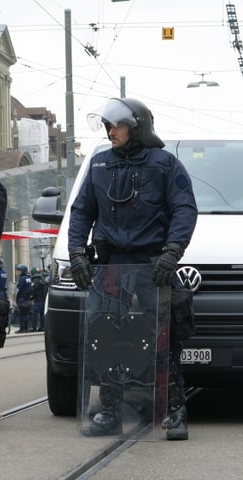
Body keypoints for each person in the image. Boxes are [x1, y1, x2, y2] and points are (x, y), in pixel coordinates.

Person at [68, 97, 198, 441]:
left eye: (118, 126)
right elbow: (81, 211)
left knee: (162, 340)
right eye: (108, 126)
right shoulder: (98, 165)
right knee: (108, 338)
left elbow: (184, 208)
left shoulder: (165, 165)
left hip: (153, 265)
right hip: (110, 266)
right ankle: (109, 412)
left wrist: (173, 252)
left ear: (137, 127)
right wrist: (77, 253)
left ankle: (174, 411)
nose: (111, 132)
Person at [13, 264, 32, 333]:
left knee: (22, 314)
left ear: (22, 271)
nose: (17, 272)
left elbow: (17, 289)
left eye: (18, 271)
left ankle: (22, 329)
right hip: (27, 298)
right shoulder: (29, 278)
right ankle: (27, 328)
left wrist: (14, 298)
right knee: (26, 314)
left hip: (22, 299)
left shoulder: (22, 279)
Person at [29, 267, 46, 332]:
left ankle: (34, 327)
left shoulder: (35, 281)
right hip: (43, 298)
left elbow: (33, 290)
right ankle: (42, 327)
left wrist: (31, 297)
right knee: (42, 313)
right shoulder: (43, 279)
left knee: (34, 312)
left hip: (37, 299)